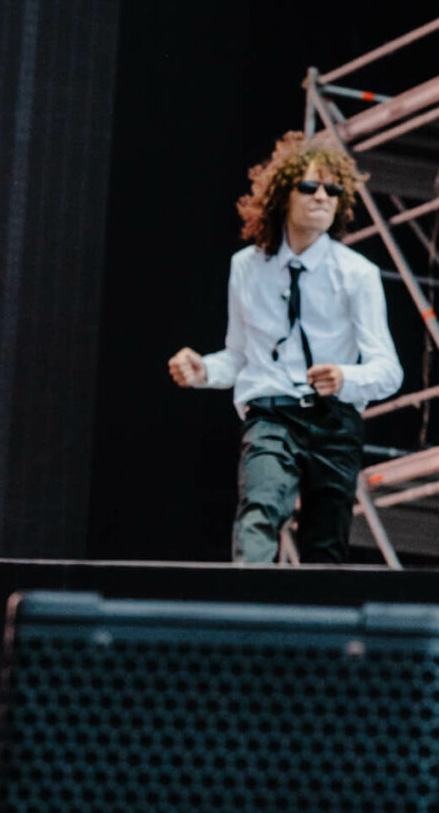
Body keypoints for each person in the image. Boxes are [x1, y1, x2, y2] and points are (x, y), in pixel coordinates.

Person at [166, 132, 401, 564]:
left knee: (325, 542)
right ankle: (249, 616)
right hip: (272, 411)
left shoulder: (357, 273)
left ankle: (315, 629)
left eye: (333, 189)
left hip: (335, 419)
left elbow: (389, 370)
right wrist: (204, 371)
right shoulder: (247, 267)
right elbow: (240, 355)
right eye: (310, 187)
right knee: (259, 509)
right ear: (282, 196)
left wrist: (346, 377)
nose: (322, 198)